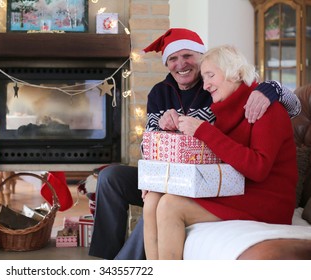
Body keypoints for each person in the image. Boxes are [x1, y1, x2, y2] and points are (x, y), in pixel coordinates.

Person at [88, 28, 301, 260]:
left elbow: (288, 106)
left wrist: (273, 89)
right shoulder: (161, 93)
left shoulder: (247, 100)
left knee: (167, 204)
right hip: (191, 174)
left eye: (188, 56)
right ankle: (106, 262)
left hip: (225, 183)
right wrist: (156, 167)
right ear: (166, 63)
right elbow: (150, 145)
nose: (181, 64)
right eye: (173, 58)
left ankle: (127, 265)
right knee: (130, 188)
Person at [142, 44, 297, 259]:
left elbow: (258, 168)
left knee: (170, 205)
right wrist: (159, 180)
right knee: (153, 199)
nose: (205, 86)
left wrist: (204, 132)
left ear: (234, 73)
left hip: (265, 199)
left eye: (210, 76)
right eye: (203, 78)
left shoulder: (265, 107)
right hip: (235, 188)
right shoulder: (224, 109)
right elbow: (213, 157)